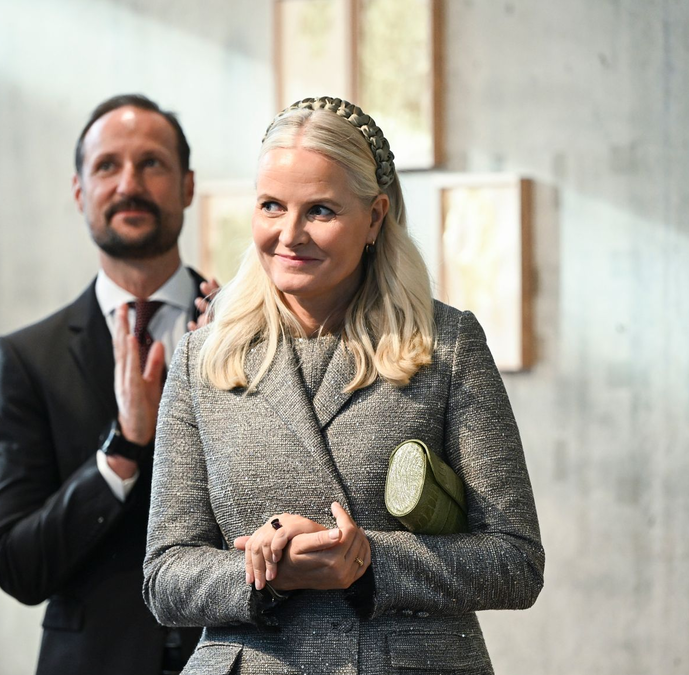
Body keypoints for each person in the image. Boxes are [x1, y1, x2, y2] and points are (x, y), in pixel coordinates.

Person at [143, 97, 544, 674]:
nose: (289, 233)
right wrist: (267, 571)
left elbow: (516, 560)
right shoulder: (202, 359)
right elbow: (164, 577)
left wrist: (368, 562)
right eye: (271, 205)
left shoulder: (447, 344)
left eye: (321, 211)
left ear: (376, 217)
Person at [0, 94, 217, 675]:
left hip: (238, 655)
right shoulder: (26, 359)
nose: (129, 183)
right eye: (107, 165)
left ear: (188, 186)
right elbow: (18, 564)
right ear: (80, 190)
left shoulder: (245, 331)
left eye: (152, 164)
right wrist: (122, 452)